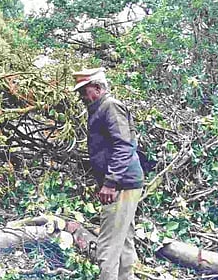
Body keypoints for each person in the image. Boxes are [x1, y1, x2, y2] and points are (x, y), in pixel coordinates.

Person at [72, 68, 144, 280]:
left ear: (97, 87)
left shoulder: (110, 106)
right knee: (124, 240)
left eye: (84, 91)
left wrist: (110, 182)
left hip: (122, 184)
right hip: (125, 182)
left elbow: (123, 145)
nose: (81, 97)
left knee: (108, 245)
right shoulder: (100, 108)